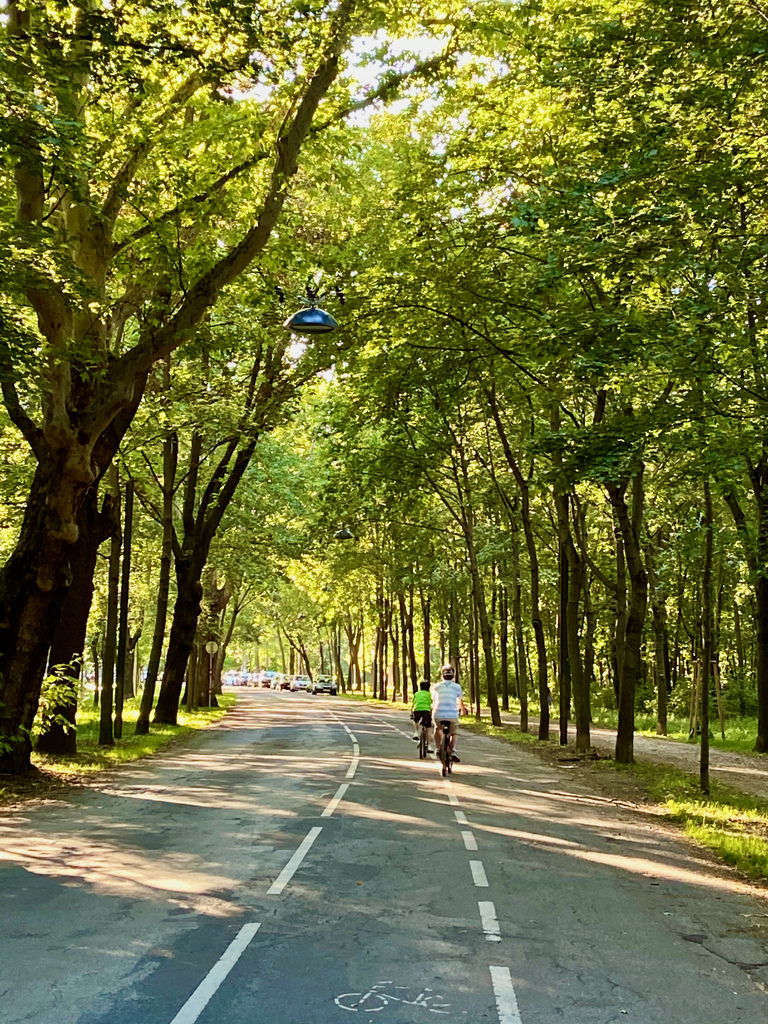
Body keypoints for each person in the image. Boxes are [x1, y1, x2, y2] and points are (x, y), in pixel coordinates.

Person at [431, 664, 467, 763]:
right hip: (452, 715)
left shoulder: (436, 687)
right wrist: (463, 710)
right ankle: (454, 751)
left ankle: (438, 749)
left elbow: (434, 700)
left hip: (438, 713)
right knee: (454, 733)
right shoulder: (457, 687)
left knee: (437, 729)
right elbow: (459, 702)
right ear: (453, 676)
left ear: (442, 676)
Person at [410, 680, 434, 753]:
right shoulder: (429, 694)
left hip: (417, 709)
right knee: (429, 727)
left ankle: (416, 732)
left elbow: (413, 703)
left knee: (415, 720)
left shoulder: (416, 693)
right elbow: (432, 703)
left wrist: (411, 712)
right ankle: (429, 746)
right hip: (426, 710)